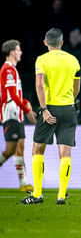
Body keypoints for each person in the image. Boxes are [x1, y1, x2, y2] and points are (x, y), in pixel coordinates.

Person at [21, 28, 81, 205]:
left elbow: (39, 86)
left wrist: (44, 109)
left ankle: (37, 194)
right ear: (62, 43)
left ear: (45, 42)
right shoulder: (73, 60)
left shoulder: (42, 59)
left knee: (37, 149)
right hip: (69, 109)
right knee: (65, 152)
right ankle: (61, 195)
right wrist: (69, 101)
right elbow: (77, 88)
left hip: (50, 109)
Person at [0, 39, 36, 192]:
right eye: (19, 49)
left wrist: (26, 102)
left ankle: (23, 183)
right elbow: (12, 96)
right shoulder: (7, 69)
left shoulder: (12, 69)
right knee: (10, 150)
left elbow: (16, 95)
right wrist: (27, 111)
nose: (21, 52)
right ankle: (23, 182)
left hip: (17, 112)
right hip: (11, 113)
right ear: (12, 52)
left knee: (20, 147)